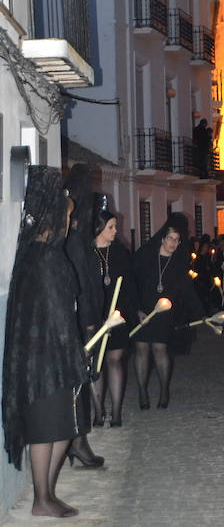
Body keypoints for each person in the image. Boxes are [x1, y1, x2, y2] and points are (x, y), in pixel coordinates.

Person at [3, 166, 88, 518]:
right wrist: (75, 353)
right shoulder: (45, 259)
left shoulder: (35, 255)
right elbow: (57, 314)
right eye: (66, 216)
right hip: (47, 362)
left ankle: (47, 494)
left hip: (45, 359)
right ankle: (42, 497)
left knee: (63, 427)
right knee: (47, 428)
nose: (69, 224)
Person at [133, 213, 204, 409]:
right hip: (143, 310)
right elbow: (133, 283)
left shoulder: (179, 264)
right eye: (170, 238)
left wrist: (201, 313)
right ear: (162, 238)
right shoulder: (145, 256)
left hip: (164, 313)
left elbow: (187, 291)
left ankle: (164, 390)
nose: (173, 243)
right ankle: (142, 391)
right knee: (141, 349)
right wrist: (137, 309)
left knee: (159, 348)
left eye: (177, 240)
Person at [62, 164, 104, 469]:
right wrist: (90, 322)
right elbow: (82, 285)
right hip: (79, 322)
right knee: (79, 384)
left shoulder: (74, 236)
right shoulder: (75, 240)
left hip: (77, 320)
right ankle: (78, 442)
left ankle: (77, 441)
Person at [91, 196, 138, 427]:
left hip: (117, 314)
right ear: (98, 228)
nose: (115, 230)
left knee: (116, 359)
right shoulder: (87, 253)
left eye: (115, 226)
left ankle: (117, 411)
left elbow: (129, 284)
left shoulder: (120, 253)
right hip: (96, 315)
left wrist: (129, 311)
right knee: (96, 364)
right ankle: (98, 411)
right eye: (110, 227)